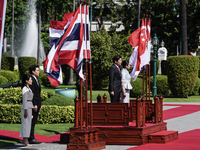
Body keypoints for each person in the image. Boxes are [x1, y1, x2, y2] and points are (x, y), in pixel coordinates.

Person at [28, 65, 42, 144]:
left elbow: (38, 94)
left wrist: (40, 104)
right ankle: (31, 138)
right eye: (37, 70)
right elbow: (32, 93)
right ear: (33, 71)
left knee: (34, 121)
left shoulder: (36, 79)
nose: (38, 72)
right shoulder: (32, 80)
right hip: (34, 104)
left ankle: (31, 137)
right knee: (32, 122)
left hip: (37, 103)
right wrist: (35, 104)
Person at [19, 74, 34, 146]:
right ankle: (25, 140)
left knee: (28, 124)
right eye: (30, 79)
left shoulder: (29, 88)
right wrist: (25, 110)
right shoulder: (25, 89)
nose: (31, 81)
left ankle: (25, 139)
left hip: (29, 107)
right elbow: (24, 100)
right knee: (26, 124)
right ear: (26, 81)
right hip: (26, 108)